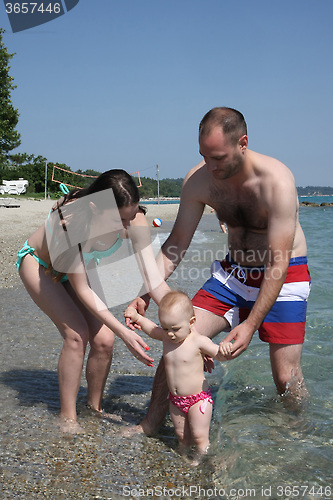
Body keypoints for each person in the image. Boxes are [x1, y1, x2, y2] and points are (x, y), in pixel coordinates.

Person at [126, 107, 311, 435]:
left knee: (286, 378)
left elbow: (279, 262)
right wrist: (143, 293)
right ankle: (150, 424)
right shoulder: (200, 181)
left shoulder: (277, 181)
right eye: (204, 156)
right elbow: (176, 244)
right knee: (178, 338)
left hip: (284, 275)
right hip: (234, 276)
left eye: (218, 158)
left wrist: (251, 324)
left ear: (243, 143)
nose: (210, 166)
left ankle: (298, 433)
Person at [17, 169, 169, 433]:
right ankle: (68, 418)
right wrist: (125, 332)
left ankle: (94, 408)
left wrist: (184, 319)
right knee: (77, 334)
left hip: (78, 270)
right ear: (95, 207)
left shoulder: (136, 220)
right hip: (40, 264)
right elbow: (83, 290)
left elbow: (153, 278)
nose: (127, 225)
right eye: (120, 219)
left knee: (104, 339)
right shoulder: (69, 225)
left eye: (131, 216)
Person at [125, 290, 232, 465]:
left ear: (191, 322)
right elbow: (152, 330)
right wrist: (137, 318)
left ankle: (200, 460)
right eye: (166, 328)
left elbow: (218, 354)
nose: (170, 333)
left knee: (199, 436)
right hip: (175, 400)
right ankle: (183, 457)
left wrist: (225, 349)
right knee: (182, 435)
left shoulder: (198, 341)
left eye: (175, 329)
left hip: (198, 400)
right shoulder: (167, 338)